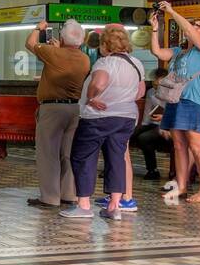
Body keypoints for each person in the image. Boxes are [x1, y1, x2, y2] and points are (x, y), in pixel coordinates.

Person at [61, 25, 145, 221]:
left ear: (104, 45)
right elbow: (140, 92)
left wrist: (91, 98)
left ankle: (83, 205)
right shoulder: (136, 63)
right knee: (116, 158)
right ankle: (114, 205)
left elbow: (98, 83)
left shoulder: (105, 63)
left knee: (83, 156)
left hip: (99, 116)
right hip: (126, 118)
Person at [149, 3, 200, 203]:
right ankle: (181, 186)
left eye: (198, 25)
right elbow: (158, 53)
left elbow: (186, 29)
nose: (192, 27)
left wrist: (171, 12)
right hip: (176, 98)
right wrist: (154, 28)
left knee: (195, 144)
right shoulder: (179, 51)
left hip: (194, 99)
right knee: (178, 144)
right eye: (193, 24)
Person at [25, 19, 90, 209]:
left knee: (48, 153)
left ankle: (50, 197)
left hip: (52, 109)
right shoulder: (85, 58)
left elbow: (29, 43)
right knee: (68, 153)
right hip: (74, 109)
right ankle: (69, 194)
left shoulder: (53, 53)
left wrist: (39, 28)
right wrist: (59, 48)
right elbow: (65, 58)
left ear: (62, 37)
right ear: (82, 40)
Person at [131, 68, 172, 179]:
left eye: (159, 85)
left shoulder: (173, 94)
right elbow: (147, 112)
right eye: (154, 84)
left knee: (144, 138)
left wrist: (164, 118)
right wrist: (143, 125)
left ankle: (152, 170)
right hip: (153, 122)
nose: (156, 87)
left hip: (168, 125)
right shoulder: (151, 92)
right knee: (130, 133)